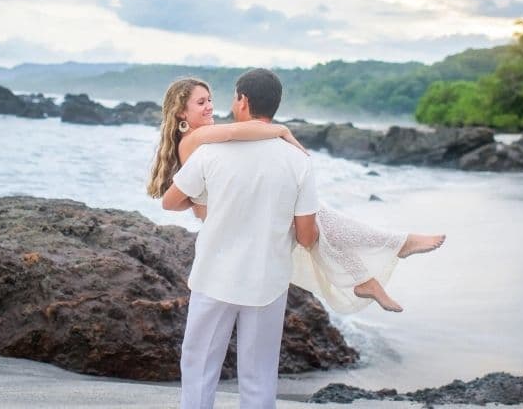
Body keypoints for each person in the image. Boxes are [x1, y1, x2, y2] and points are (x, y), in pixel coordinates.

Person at [146, 71, 445, 406]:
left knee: (200, 367)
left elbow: (171, 201)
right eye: (202, 102)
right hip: (266, 279)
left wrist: (214, 199)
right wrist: (282, 135)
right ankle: (380, 257)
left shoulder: (211, 151)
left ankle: (380, 259)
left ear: (243, 101)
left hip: (217, 275)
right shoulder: (293, 158)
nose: (215, 107)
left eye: (218, 99)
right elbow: (306, 237)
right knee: (259, 376)